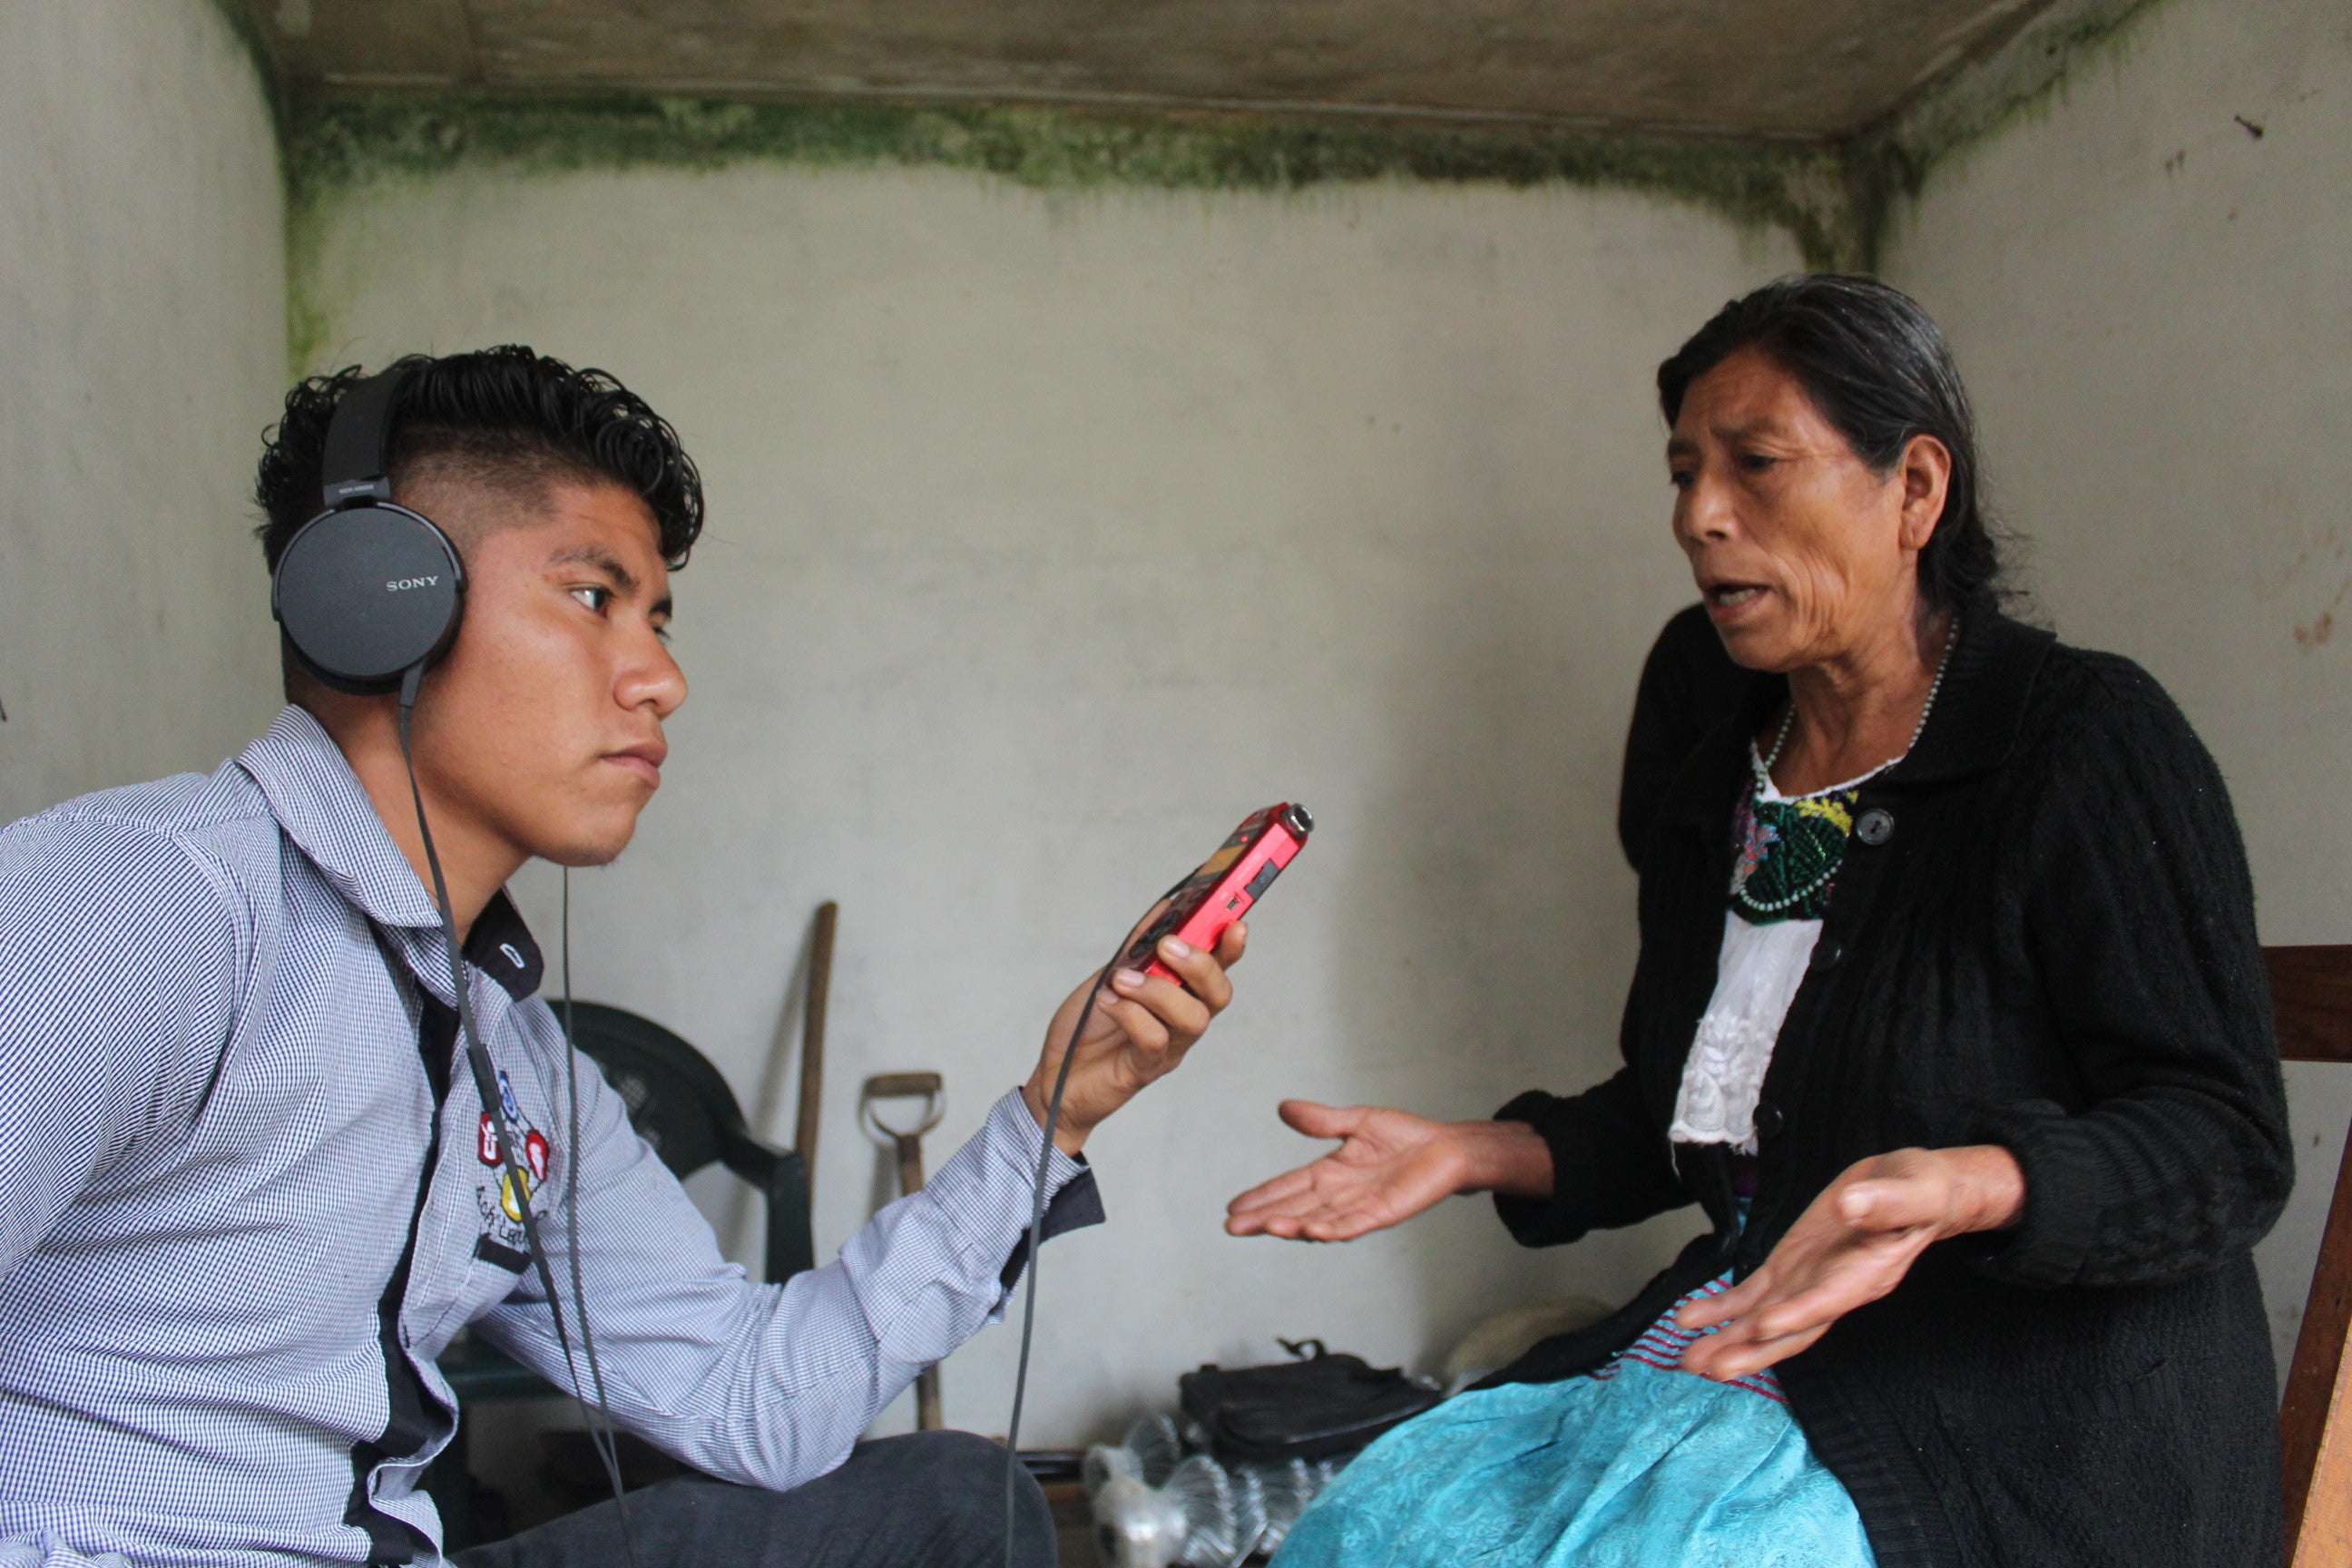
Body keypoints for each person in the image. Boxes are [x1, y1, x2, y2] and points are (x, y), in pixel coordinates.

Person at [0, 348, 1248, 1568]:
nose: (663, 679)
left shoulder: (516, 1057)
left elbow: (751, 1398)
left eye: (657, 619)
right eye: (593, 598)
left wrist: (1053, 1115)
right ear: (382, 601)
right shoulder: (152, 901)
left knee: (959, 1503)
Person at [1229, 275, 2292, 1567]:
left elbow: (2224, 1141)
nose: (1699, 517)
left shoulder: (2081, 742)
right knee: (1366, 1538)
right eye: (1682, 473)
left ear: (1914, 490)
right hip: (1762, 1346)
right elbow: (1689, 1109)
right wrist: (1470, 1151)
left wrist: (1968, 1184)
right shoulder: (1719, 774)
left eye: (1756, 466)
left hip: (2025, 1412)